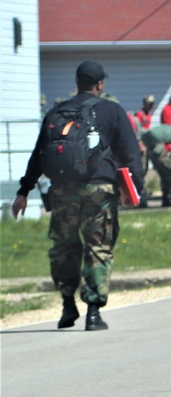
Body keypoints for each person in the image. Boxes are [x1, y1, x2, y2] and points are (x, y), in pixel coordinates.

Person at [11, 61, 143, 331]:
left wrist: (23, 191)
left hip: (62, 191)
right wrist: (135, 190)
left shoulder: (57, 112)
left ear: (77, 82)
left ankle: (67, 305)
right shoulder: (112, 111)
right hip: (100, 191)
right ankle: (93, 312)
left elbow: (38, 155)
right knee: (98, 247)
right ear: (99, 84)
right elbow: (131, 155)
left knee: (64, 247)